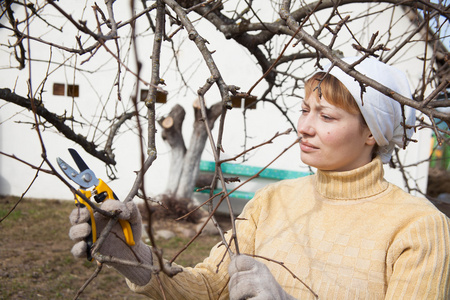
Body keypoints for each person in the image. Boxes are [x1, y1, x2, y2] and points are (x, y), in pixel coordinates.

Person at [69, 57, 450, 299]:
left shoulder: (418, 227)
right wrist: (133, 257)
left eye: (327, 116)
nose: (305, 127)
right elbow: (207, 288)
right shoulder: (272, 201)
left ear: (373, 134)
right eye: (304, 110)